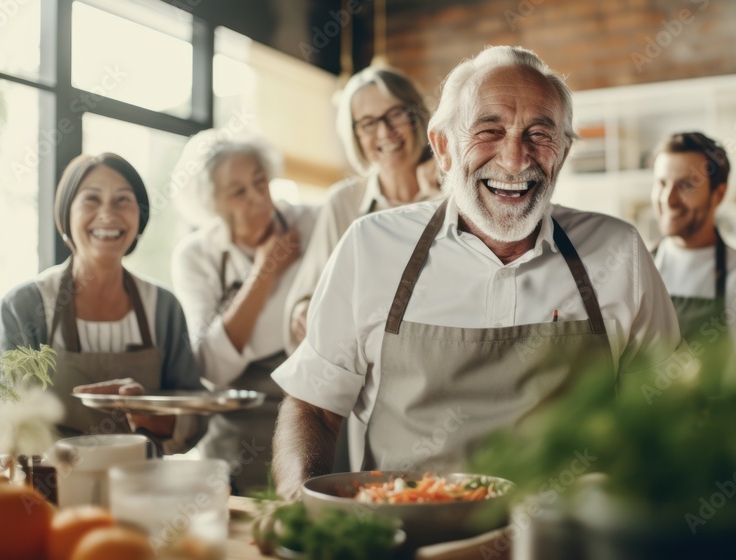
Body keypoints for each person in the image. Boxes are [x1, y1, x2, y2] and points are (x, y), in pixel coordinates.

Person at [270, 46, 681, 499]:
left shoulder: (618, 252)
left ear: (562, 153)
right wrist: (298, 506)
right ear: (444, 146)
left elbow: (670, 409)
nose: (514, 159)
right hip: (408, 535)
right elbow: (313, 406)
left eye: (539, 135)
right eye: (490, 130)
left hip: (568, 539)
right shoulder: (370, 246)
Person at [0, 153, 205, 454]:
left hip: (142, 484)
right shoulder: (24, 306)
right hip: (49, 488)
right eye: (91, 199)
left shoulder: (164, 307)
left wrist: (154, 417)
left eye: (123, 200)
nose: (108, 214)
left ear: (139, 218)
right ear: (66, 215)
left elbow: (194, 411)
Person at [280, 66, 439, 471]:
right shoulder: (344, 203)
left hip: (443, 366)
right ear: (355, 134)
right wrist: (303, 313)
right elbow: (304, 297)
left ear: (417, 115)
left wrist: (444, 192)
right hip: (373, 385)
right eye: (368, 123)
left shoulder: (454, 187)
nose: (384, 132)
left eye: (395, 115)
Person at [170, 131, 318, 494]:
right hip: (234, 427)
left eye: (260, 182)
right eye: (238, 192)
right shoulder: (196, 257)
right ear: (212, 204)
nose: (258, 199)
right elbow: (212, 367)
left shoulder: (314, 223)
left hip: (309, 411)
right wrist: (266, 270)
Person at [649, 132, 736, 390]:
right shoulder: (633, 270)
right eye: (661, 183)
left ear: (718, 194)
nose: (668, 199)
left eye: (686, 185)